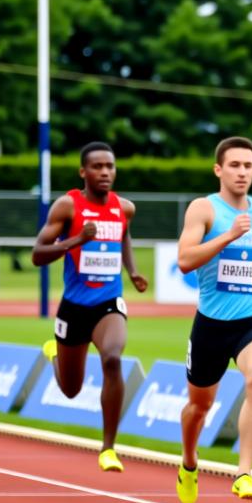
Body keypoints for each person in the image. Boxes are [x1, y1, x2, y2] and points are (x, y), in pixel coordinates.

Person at [32, 142, 148, 472]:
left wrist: (133, 270)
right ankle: (55, 351)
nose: (105, 172)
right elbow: (37, 254)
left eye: (110, 167)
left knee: (112, 359)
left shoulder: (124, 208)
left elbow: (123, 236)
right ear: (83, 172)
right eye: (97, 167)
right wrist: (75, 241)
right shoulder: (67, 207)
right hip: (73, 307)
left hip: (108, 303)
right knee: (70, 390)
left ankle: (109, 448)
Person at [174, 136, 252, 503]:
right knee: (199, 407)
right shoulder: (205, 209)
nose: (242, 172)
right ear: (219, 169)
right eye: (234, 165)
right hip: (211, 323)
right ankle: (189, 460)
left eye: (248, 166)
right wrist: (229, 236)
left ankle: (244, 472)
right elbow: (185, 259)